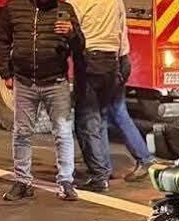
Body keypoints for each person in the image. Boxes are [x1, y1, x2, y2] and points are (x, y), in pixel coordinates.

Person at [0, 0, 83, 201]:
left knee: (63, 133)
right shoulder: (14, 8)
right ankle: (22, 181)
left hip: (56, 82)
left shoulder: (65, 9)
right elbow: (2, 41)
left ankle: (66, 182)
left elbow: (80, 47)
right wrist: (5, 73)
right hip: (25, 82)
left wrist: (71, 33)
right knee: (22, 133)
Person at [67, 0, 122, 193]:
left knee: (86, 121)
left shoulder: (77, 3)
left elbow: (72, 34)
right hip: (111, 61)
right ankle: (103, 169)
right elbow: (120, 28)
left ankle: (99, 175)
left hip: (90, 60)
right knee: (99, 117)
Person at [111, 0, 155, 181]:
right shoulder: (115, 3)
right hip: (118, 60)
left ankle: (101, 169)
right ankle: (101, 166)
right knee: (111, 113)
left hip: (108, 61)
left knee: (101, 115)